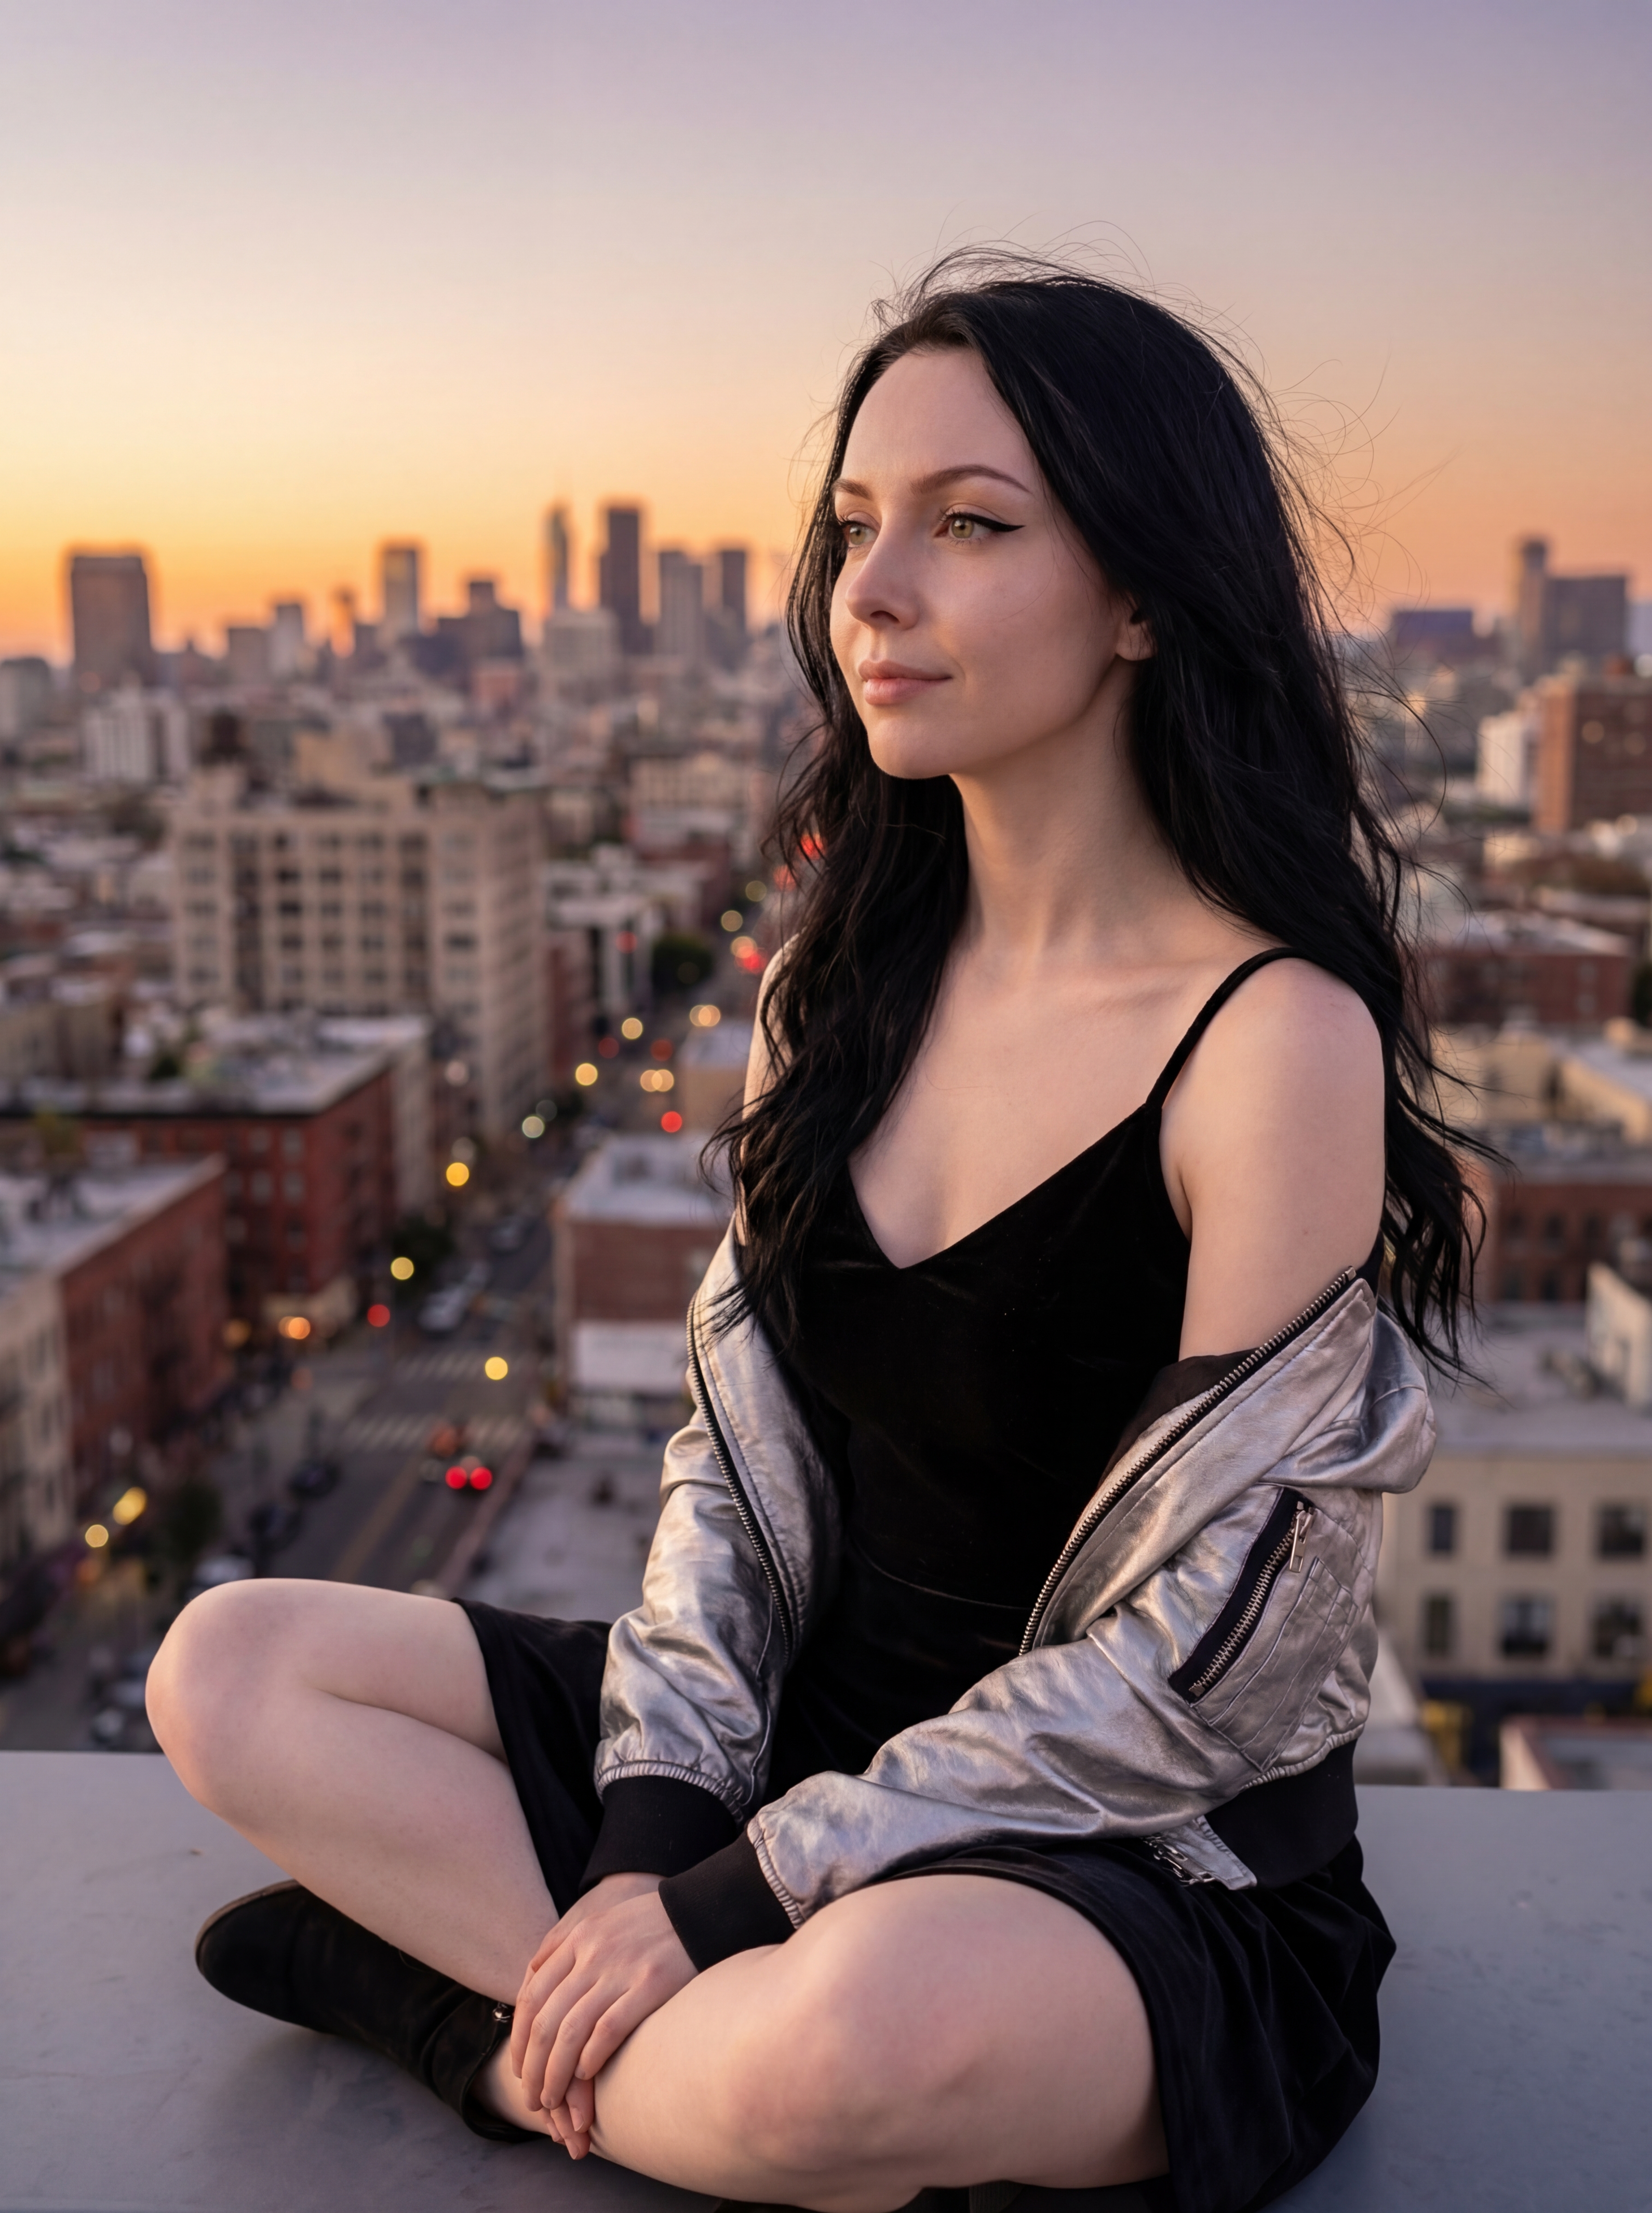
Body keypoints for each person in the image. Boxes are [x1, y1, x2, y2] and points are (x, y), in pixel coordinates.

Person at [147, 254, 1469, 2213]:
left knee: (853, 2047)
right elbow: (731, 1479)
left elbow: (1201, 1664)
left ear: (1136, 598)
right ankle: (583, 2002)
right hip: (782, 1746)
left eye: (968, 527)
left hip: (1116, 1846)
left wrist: (728, 1894)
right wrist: (641, 1853)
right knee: (226, 1670)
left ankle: (468, 2031)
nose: (871, 591)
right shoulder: (834, 986)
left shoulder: (1267, 1040)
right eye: (855, 526)